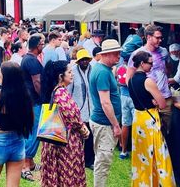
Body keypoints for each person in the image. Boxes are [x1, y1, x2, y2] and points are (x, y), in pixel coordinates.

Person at [0, 62, 34, 187]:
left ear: (5, 77)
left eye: (0, 73)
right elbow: (30, 119)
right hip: (18, 141)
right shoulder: (25, 96)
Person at [128, 51, 176, 186]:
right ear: (142, 64)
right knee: (159, 154)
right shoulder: (148, 81)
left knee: (141, 156)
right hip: (150, 120)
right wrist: (154, 102)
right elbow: (162, 103)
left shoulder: (130, 79)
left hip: (138, 119)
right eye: (150, 63)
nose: (152, 66)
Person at [41, 60, 89, 187]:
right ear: (60, 76)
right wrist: (82, 128)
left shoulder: (57, 91)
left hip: (58, 139)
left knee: (60, 173)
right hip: (66, 142)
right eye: (69, 72)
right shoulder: (60, 92)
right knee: (68, 174)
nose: (72, 74)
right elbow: (71, 116)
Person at [126, 24, 172, 137]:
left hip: (165, 98)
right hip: (148, 101)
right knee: (149, 134)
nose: (160, 40)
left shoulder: (164, 52)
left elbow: (169, 68)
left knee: (165, 132)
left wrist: (164, 80)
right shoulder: (138, 54)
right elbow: (129, 78)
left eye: (161, 37)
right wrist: (139, 96)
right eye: (157, 37)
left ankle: (163, 154)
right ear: (148, 37)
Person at [89, 39, 122, 187]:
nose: (119, 57)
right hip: (104, 124)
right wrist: (115, 125)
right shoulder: (102, 72)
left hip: (102, 122)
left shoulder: (102, 69)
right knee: (103, 162)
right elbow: (105, 102)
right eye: (116, 54)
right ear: (107, 54)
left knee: (101, 160)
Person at [20, 34, 45, 178]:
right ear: (37, 46)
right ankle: (24, 166)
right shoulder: (32, 61)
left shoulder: (28, 59)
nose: (43, 45)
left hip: (30, 101)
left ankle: (30, 163)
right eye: (42, 43)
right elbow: (37, 83)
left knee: (35, 132)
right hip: (34, 101)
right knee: (34, 132)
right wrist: (44, 97)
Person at [67, 49, 95, 168]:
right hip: (78, 110)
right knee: (77, 138)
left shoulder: (93, 70)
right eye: (82, 60)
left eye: (86, 59)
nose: (84, 62)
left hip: (92, 109)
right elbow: (68, 92)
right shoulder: (72, 72)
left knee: (90, 137)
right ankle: (76, 160)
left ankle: (89, 161)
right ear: (78, 61)